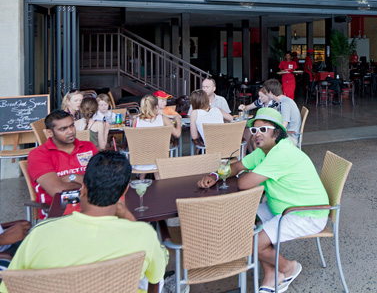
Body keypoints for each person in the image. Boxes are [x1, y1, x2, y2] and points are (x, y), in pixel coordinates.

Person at [197, 108, 328, 292]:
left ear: (277, 132)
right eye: (254, 130)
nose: (257, 134)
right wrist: (215, 175)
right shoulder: (264, 151)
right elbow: (237, 166)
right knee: (243, 219)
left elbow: (243, 183)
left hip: (306, 213)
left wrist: (251, 173)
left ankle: (288, 268)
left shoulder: (281, 153)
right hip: (282, 207)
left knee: (251, 243)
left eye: (263, 129)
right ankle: (271, 274)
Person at [1, 151, 168, 293]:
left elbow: (8, 287)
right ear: (124, 191)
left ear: (83, 189)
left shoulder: (40, 234)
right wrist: (127, 215)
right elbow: (156, 277)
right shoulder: (143, 235)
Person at [27, 110, 98, 219]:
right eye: (63, 129)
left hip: (92, 207)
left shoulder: (88, 147)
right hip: (58, 214)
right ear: (50, 133)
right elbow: (57, 191)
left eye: (72, 126)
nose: (70, 131)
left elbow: (103, 179)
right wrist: (89, 183)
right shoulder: (38, 155)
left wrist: (72, 177)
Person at [263, 79, 301, 145]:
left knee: (263, 140)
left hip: (290, 137)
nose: (266, 94)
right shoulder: (281, 102)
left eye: (266, 92)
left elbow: (283, 126)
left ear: (271, 92)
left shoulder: (285, 103)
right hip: (288, 134)